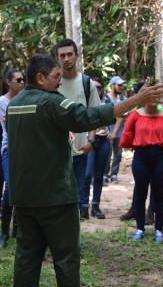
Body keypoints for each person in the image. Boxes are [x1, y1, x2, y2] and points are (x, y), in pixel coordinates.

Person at [8, 53, 163, 286]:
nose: (60, 82)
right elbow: (87, 116)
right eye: (56, 76)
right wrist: (136, 99)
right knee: (66, 260)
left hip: (23, 197)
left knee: (26, 257)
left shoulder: (14, 105)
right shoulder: (51, 102)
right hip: (55, 199)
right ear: (41, 78)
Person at [120, 80, 163, 243]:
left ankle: (159, 229)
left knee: (159, 194)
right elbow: (126, 137)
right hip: (141, 157)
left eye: (156, 93)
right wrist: (137, 148)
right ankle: (140, 228)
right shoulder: (135, 114)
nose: (153, 97)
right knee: (140, 193)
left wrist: (161, 152)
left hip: (160, 157)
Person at [56, 38, 101, 220]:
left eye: (69, 54)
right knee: (59, 196)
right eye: (62, 55)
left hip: (81, 150)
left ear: (77, 56)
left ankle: (72, 240)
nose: (66, 59)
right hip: (57, 150)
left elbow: (94, 114)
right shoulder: (53, 83)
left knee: (79, 196)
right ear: (57, 58)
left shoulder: (87, 83)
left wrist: (91, 140)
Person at [0, 68, 25, 248]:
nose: (22, 83)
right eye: (18, 80)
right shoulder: (2, 102)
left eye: (23, 80)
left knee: (23, 189)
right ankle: (4, 232)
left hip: (27, 151)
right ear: (8, 82)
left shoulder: (27, 99)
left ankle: (17, 227)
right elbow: (11, 126)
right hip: (10, 149)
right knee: (10, 189)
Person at [83, 77, 110, 219]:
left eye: (99, 87)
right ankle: (83, 207)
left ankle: (95, 206)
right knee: (87, 175)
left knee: (99, 176)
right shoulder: (84, 101)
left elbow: (114, 117)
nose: (96, 90)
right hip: (90, 141)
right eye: (93, 87)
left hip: (104, 141)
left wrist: (110, 132)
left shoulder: (107, 102)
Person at [104, 75, 127, 185]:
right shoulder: (105, 98)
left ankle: (114, 174)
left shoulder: (123, 99)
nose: (121, 87)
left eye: (122, 85)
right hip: (107, 132)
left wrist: (115, 132)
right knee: (107, 154)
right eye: (119, 85)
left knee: (117, 154)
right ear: (113, 85)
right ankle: (105, 174)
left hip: (119, 132)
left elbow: (123, 117)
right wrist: (109, 131)